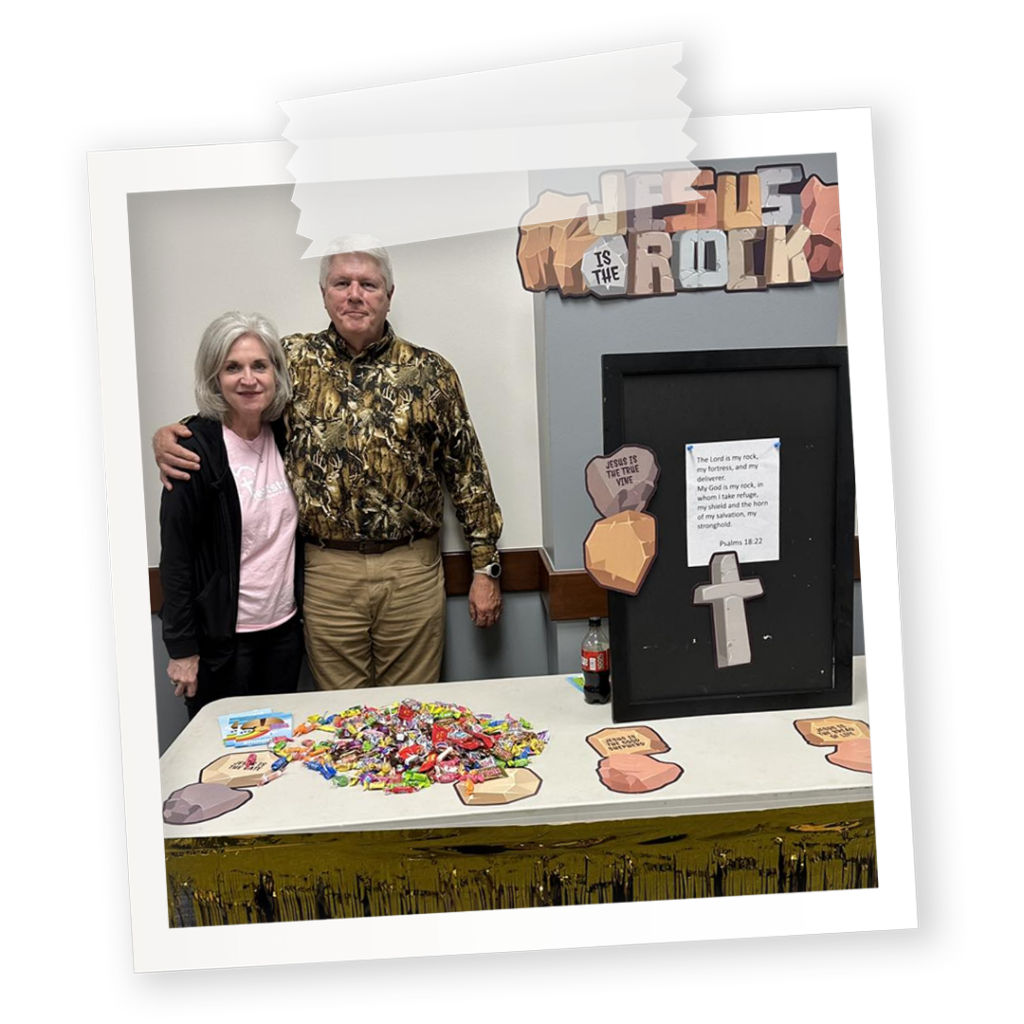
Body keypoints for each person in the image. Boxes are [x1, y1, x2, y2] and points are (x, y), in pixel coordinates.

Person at [154, 236, 503, 691]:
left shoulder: (430, 371)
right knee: (338, 719)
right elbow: (235, 401)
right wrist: (169, 435)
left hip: (411, 570)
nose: (354, 294)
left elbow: (468, 473)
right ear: (324, 294)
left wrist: (485, 569)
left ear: (389, 295)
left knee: (412, 709)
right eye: (342, 283)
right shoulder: (290, 361)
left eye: (368, 284)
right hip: (326, 572)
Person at [159, 311, 304, 717]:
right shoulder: (193, 449)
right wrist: (182, 649)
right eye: (232, 368)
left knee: (278, 758)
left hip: (284, 634)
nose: (248, 379)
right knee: (224, 764)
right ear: (214, 378)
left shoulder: (288, 435)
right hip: (223, 644)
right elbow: (176, 558)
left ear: (275, 372)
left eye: (260, 365)